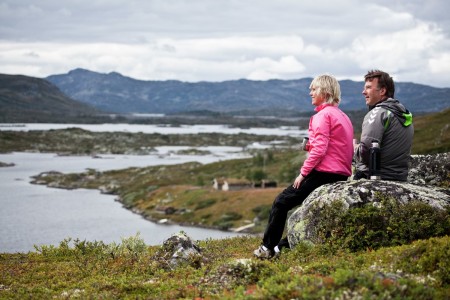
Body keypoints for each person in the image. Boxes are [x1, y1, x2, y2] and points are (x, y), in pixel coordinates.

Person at [253, 74, 354, 259]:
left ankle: (267, 248)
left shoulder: (322, 116)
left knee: (281, 202)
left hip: (324, 173)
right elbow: (335, 146)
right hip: (341, 174)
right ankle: (280, 248)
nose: (310, 93)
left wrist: (302, 173)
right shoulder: (342, 116)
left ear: (326, 92)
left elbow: (320, 150)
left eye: (314, 89)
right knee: (304, 210)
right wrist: (310, 145)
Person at [353, 70, 414, 181]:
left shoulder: (378, 113)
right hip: (400, 178)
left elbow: (366, 151)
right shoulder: (403, 114)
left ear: (382, 91)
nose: (363, 92)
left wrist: (355, 149)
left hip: (375, 177)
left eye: (368, 87)